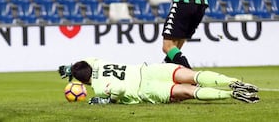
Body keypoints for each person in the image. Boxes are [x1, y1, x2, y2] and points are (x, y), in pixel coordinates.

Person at [59, 58, 259, 105]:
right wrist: (70, 67)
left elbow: (118, 88)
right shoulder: (100, 63)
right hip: (151, 70)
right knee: (194, 75)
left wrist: (107, 100)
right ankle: (233, 81)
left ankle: (231, 94)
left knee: (188, 91)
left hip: (146, 89)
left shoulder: (100, 87)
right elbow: (88, 60)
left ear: (83, 84)